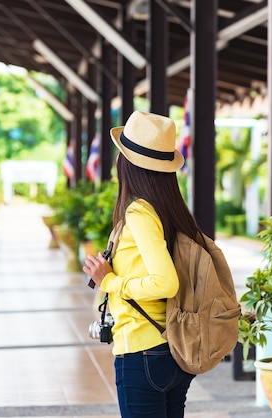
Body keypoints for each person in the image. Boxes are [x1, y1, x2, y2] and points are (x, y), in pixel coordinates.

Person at [83, 111, 206, 418]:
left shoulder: (139, 212)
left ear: (127, 165)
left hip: (142, 351)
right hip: (173, 347)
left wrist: (109, 280)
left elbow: (165, 281)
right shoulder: (172, 210)